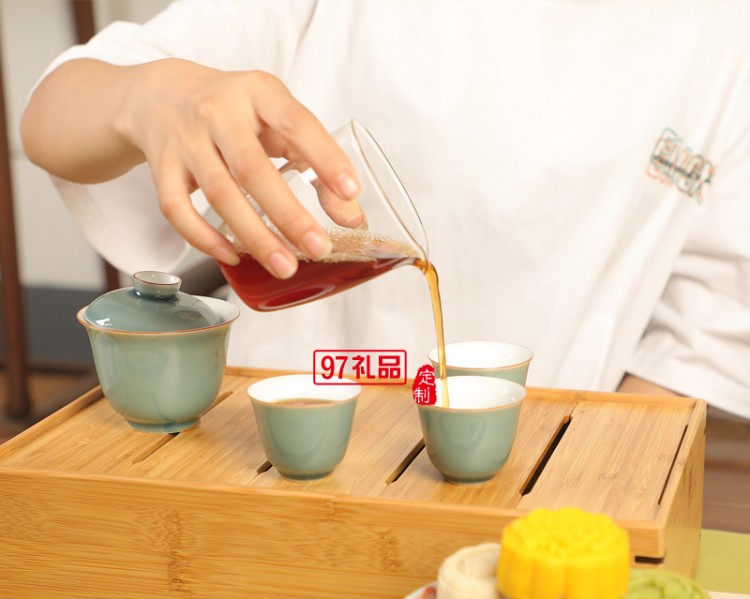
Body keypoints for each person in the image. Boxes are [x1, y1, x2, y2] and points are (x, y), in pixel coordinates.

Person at [21, 0, 750, 419]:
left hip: (543, 473)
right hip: (263, 432)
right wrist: (153, 96)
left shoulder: (727, 34)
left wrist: (583, 483)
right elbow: (51, 115)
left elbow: (702, 336)